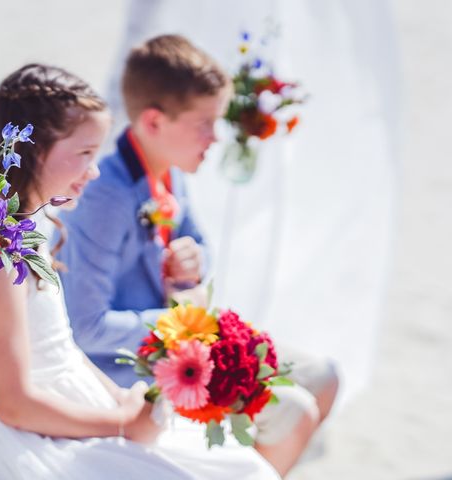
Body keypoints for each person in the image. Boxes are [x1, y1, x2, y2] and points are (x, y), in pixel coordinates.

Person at [0, 63, 280, 479]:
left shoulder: (27, 226)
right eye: (84, 154)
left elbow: (60, 348)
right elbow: (12, 404)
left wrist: (121, 401)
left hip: (66, 406)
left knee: (242, 465)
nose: (95, 170)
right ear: (33, 151)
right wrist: (121, 425)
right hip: (24, 437)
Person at [57, 35, 338, 476]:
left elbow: (197, 243)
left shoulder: (168, 168)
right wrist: (185, 327)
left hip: (180, 340)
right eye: (205, 123)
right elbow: (86, 326)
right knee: (294, 411)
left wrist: (193, 260)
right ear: (154, 122)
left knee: (324, 376)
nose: (215, 136)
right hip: (127, 368)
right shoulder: (106, 197)